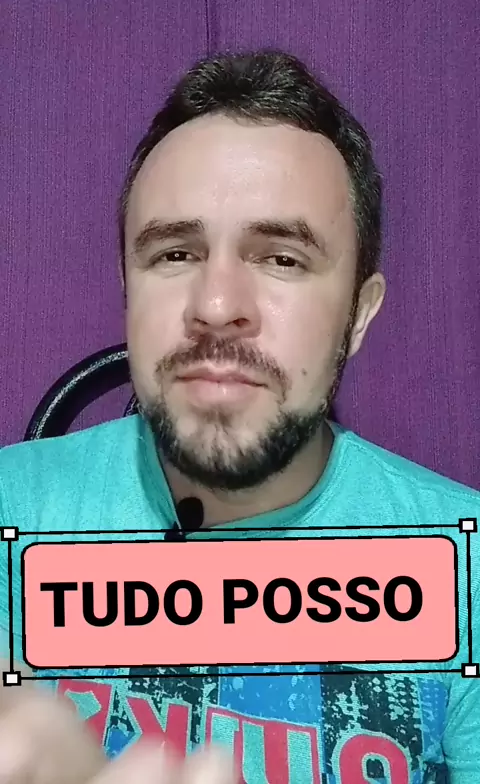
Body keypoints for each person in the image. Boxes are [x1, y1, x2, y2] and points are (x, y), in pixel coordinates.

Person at [1, 49, 479, 784]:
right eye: (174, 254)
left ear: (359, 313)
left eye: (283, 259)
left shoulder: (465, 571)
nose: (217, 306)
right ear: (128, 287)